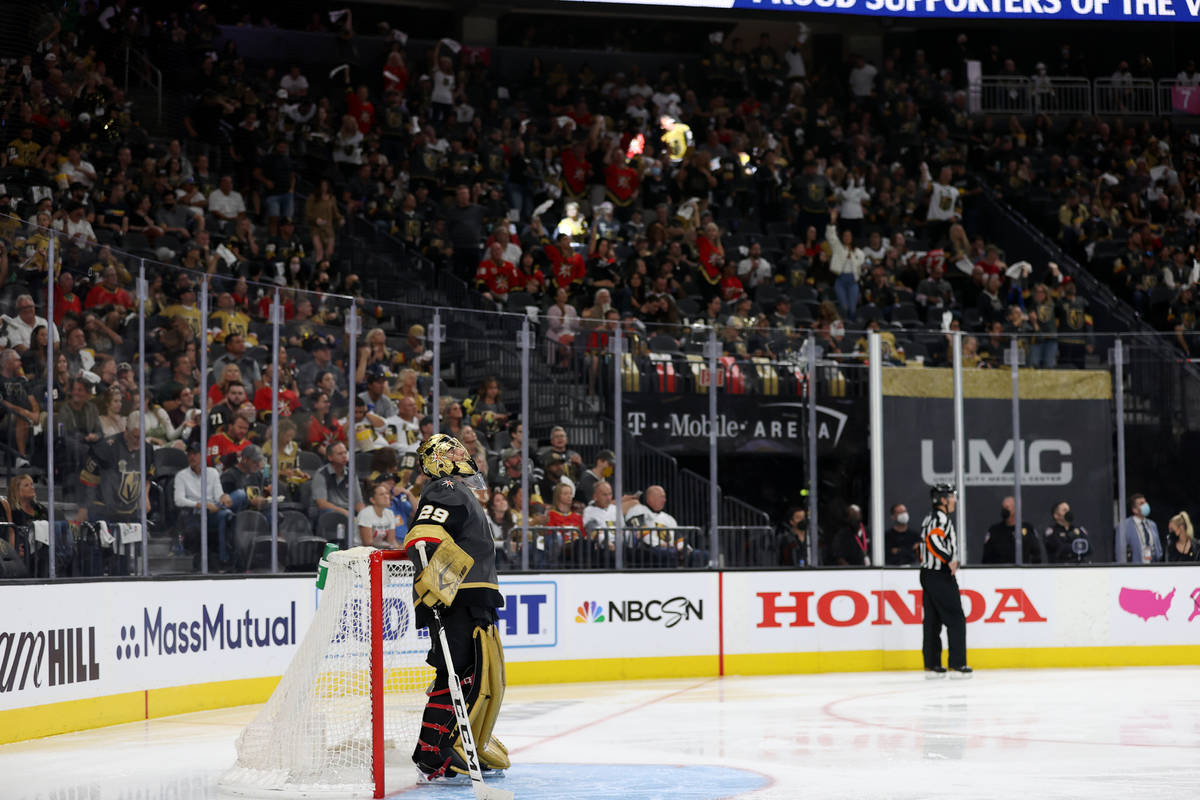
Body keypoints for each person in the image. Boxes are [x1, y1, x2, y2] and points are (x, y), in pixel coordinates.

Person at [403, 433, 508, 783]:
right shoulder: (445, 486)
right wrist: (434, 591)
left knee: (479, 673)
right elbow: (422, 539)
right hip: (457, 597)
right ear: (437, 459)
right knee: (460, 674)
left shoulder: (457, 489)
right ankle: (433, 750)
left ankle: (464, 741)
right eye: (452, 449)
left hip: (469, 596)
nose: (462, 453)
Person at [919, 483, 971, 678]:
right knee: (956, 618)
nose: (954, 500)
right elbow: (933, 541)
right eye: (951, 496)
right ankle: (957, 664)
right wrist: (949, 559)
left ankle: (932, 664)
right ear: (943, 500)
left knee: (933, 620)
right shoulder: (939, 519)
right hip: (939, 574)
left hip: (929, 573)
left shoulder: (931, 518)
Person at [174, 441, 235, 570]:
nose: (192, 457)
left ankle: (226, 557)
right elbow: (178, 500)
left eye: (195, 454)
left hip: (214, 512)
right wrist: (201, 504)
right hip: (194, 514)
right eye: (189, 454)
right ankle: (224, 559)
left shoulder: (213, 472)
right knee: (226, 515)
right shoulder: (181, 476)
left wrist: (223, 496)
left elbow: (218, 494)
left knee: (237, 498)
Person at [981, 495, 1047, 564]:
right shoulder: (994, 530)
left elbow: (1036, 554)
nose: (1004, 510)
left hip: (1022, 572)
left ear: (1016, 509)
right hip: (1000, 572)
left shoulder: (1027, 529)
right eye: (1003, 507)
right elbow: (986, 557)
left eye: (1007, 507)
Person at [1116, 493, 1162, 563]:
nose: (1145, 505)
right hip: (1135, 567)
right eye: (1141, 504)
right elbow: (1120, 552)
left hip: (1153, 566)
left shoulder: (1152, 525)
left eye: (1145, 502)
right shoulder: (1124, 526)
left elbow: (1158, 548)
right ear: (1134, 509)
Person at [357, 482, 400, 549]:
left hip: (381, 550)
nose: (386, 496)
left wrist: (399, 548)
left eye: (387, 493)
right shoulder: (365, 513)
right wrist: (388, 546)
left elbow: (391, 541)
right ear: (372, 500)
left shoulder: (390, 513)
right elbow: (367, 543)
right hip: (362, 553)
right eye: (381, 494)